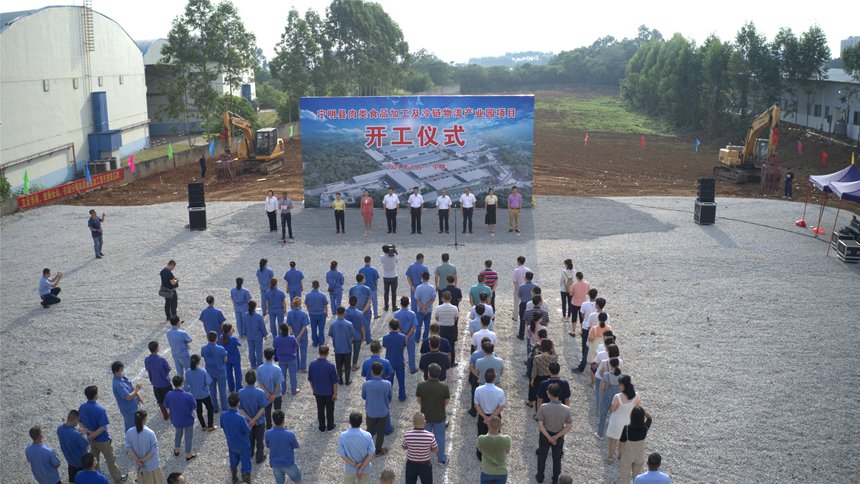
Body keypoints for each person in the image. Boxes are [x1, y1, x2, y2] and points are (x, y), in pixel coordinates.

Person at [78, 386, 126, 483]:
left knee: (95, 460)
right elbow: (102, 428)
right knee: (110, 460)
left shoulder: (82, 407)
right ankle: (118, 478)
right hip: (102, 440)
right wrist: (93, 435)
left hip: (91, 440)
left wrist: (89, 433)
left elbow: (80, 422)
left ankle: (97, 477)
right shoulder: (100, 410)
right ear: (96, 395)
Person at [535, 384, 573, 484]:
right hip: (558, 436)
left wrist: (548, 437)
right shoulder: (566, 409)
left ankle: (540, 477)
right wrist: (556, 436)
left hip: (545, 434)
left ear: (550, 394)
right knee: (557, 459)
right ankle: (556, 479)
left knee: (542, 457)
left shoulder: (543, 407)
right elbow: (569, 426)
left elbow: (540, 424)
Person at [415, 363, 450, 464]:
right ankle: (442, 459)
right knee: (440, 438)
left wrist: (425, 405)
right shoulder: (444, 386)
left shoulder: (421, 385)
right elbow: (446, 401)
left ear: (428, 373)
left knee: (424, 437)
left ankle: (423, 457)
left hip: (425, 417)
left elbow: (419, 399)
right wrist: (439, 407)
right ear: (439, 374)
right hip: (439, 416)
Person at [124, 410, 165, 484]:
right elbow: (154, 449)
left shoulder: (129, 432)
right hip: (151, 465)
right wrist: (143, 460)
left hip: (139, 465)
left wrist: (138, 460)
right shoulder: (150, 433)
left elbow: (128, 447)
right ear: (145, 419)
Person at [607, 375, 641, 463]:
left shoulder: (617, 397)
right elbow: (637, 407)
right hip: (629, 422)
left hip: (617, 421)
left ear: (622, 385)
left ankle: (611, 458)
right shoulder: (636, 395)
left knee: (613, 441)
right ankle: (620, 456)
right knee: (623, 442)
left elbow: (613, 409)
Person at [238, 370, 269, 464]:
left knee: (249, 439)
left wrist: (250, 420)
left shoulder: (240, 392)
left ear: (246, 380)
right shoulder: (260, 392)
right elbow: (262, 408)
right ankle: (259, 457)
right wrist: (255, 419)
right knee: (259, 440)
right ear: (255, 380)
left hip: (247, 422)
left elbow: (241, 409)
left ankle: (250, 454)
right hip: (259, 421)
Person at [362, 362, 393, 455]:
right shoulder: (387, 384)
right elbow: (390, 397)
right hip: (383, 412)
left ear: (371, 372)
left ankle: (367, 449)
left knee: (369, 430)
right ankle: (378, 450)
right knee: (381, 432)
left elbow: (364, 396)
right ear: (382, 371)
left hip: (370, 411)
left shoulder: (366, 384)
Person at [221, 392, 252, 484]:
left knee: (233, 462)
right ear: (238, 403)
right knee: (246, 465)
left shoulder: (223, 415)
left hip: (231, 444)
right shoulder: (241, 418)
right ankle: (246, 481)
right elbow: (247, 430)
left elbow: (222, 426)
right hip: (243, 445)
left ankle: (234, 478)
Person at [164, 374, 198, 460]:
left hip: (176, 419)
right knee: (188, 437)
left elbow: (166, 405)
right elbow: (194, 407)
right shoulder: (188, 396)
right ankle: (188, 454)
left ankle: (177, 450)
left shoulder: (169, 394)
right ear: (182, 383)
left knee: (178, 434)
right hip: (188, 420)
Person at [474, 368, 504, 459]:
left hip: (483, 416)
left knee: (481, 435)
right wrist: (491, 418)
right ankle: (494, 453)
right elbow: (500, 407)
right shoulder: (500, 391)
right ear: (494, 378)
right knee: (495, 435)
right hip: (495, 416)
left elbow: (476, 405)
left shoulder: (478, 390)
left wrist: (485, 417)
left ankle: (480, 454)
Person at [266, 410, 303, 484]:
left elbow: (268, 446)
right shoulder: (290, 434)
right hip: (288, 464)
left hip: (275, 464)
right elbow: (296, 446)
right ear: (283, 420)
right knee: (298, 480)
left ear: (273, 421)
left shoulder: (268, 433)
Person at [308, 345, 339, 432]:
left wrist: (313, 389)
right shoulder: (331, 366)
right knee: (330, 410)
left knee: (320, 409)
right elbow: (335, 382)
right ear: (328, 353)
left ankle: (321, 427)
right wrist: (335, 393)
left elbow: (310, 380)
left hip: (318, 391)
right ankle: (330, 425)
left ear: (318, 352)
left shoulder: (312, 364)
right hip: (329, 392)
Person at [338, 412, 376, 484]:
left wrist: (354, 464)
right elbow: (371, 454)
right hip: (365, 468)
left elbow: (342, 455)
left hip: (350, 469)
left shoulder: (343, 436)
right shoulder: (367, 435)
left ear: (350, 422)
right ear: (362, 422)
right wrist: (361, 468)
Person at [619, 407, 654, 484]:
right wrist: (642, 412)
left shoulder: (627, 428)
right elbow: (650, 417)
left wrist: (620, 453)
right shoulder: (645, 428)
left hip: (628, 455)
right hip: (639, 455)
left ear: (632, 416)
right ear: (642, 417)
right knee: (638, 477)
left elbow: (622, 442)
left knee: (624, 476)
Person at [401, 412, 437, 484]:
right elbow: (435, 449)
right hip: (425, 464)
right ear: (425, 422)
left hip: (411, 464)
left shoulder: (407, 435)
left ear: (413, 422)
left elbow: (404, 447)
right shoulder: (430, 436)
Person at [476, 416, 511, 484]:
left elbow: (480, 450)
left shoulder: (481, 439)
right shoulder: (507, 439)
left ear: (488, 425)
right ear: (500, 426)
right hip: (501, 472)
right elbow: (507, 451)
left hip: (486, 471)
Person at [57, 410, 90, 482]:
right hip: (81, 463)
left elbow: (69, 435)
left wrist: (77, 431)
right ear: (75, 421)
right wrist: (83, 434)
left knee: (72, 481)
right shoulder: (77, 435)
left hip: (70, 462)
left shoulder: (59, 429)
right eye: (78, 420)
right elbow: (87, 446)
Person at [258, 348, 285, 429]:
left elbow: (260, 383)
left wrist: (267, 393)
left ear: (264, 356)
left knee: (267, 411)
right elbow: (278, 384)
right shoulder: (277, 369)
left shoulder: (260, 368)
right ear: (273, 357)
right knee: (277, 410)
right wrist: (274, 394)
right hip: (277, 394)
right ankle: (278, 424)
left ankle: (268, 426)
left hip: (266, 395)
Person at [111, 361, 143, 432]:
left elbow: (131, 386)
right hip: (128, 410)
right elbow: (127, 397)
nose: (123, 371)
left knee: (133, 425)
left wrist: (138, 396)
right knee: (131, 428)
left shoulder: (122, 378)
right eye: (121, 370)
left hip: (132, 407)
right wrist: (137, 389)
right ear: (116, 372)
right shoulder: (118, 385)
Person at [202, 331, 229, 412]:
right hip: (220, 371)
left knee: (212, 390)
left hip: (210, 371)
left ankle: (215, 407)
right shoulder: (220, 349)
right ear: (216, 338)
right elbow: (225, 360)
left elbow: (203, 356)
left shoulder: (204, 348)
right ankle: (224, 407)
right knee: (222, 390)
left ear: (207, 338)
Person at [329, 306, 357, 385]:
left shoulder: (333, 324)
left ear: (337, 313)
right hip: (347, 348)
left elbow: (331, 335)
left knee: (338, 365)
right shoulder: (349, 324)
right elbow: (352, 335)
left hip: (337, 348)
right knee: (347, 365)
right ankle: (347, 380)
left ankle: (340, 379)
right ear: (344, 313)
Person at [382, 319, 407, 401]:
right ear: (398, 327)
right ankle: (402, 396)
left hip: (389, 361)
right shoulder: (403, 337)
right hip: (400, 361)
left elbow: (385, 347)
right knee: (401, 381)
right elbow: (403, 348)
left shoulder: (385, 338)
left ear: (389, 327)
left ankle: (388, 397)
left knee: (389, 382)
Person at [575, 288, 599, 373]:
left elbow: (582, 315)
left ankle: (583, 363)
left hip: (586, 327)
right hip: (596, 329)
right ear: (596, 295)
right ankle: (593, 364)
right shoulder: (599, 304)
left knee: (585, 346)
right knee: (594, 346)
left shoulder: (584, 304)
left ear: (588, 295)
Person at [303, 282, 328, 362]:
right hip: (321, 314)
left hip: (313, 314)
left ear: (312, 286)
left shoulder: (308, 295)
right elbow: (325, 305)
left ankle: (314, 341)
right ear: (318, 286)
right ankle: (321, 342)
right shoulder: (322, 295)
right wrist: (326, 312)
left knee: (313, 329)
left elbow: (306, 304)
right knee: (321, 329)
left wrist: (309, 311)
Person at [529, 339, 558, 408]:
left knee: (538, 396)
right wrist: (553, 347)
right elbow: (556, 355)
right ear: (550, 348)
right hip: (549, 377)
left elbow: (534, 370)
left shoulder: (537, 358)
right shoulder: (553, 358)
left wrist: (532, 379)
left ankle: (537, 412)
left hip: (539, 378)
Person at [393, 297, 418, 373]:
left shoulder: (396, 314)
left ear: (400, 303)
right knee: (411, 352)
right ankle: (412, 368)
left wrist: (402, 334)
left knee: (400, 352)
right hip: (410, 336)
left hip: (400, 336)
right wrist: (407, 335)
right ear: (408, 303)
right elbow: (414, 326)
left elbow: (396, 326)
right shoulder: (412, 314)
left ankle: (400, 366)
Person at [274, 323, 300, 395]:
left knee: (282, 376)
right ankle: (294, 390)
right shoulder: (292, 338)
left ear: (280, 330)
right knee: (293, 375)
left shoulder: (277, 338)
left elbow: (275, 347)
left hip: (281, 359)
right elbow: (297, 346)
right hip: (291, 358)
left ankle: (283, 391)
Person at [434, 291, 460, 365]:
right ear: (451, 298)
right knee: (451, 345)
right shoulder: (455, 308)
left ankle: (441, 361)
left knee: (441, 344)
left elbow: (437, 318)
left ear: (442, 298)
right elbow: (456, 318)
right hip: (451, 328)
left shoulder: (438, 308)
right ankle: (451, 362)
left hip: (441, 328)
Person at [243, 300, 267, 369]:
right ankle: (260, 364)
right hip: (258, 336)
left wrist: (244, 333)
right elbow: (262, 326)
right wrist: (265, 334)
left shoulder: (245, 316)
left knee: (251, 350)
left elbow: (244, 326)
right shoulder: (259, 316)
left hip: (249, 336)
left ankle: (253, 365)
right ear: (255, 307)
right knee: (259, 351)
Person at [219, 323, 243, 393]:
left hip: (226, 358)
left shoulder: (220, 337)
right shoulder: (233, 338)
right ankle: (239, 387)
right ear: (230, 330)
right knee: (238, 373)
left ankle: (231, 387)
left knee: (228, 373)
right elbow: (240, 344)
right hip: (235, 358)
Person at [413, 271, 436, 343]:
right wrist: (426, 307)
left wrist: (422, 308)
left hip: (420, 310)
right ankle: (425, 339)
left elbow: (417, 299)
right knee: (427, 326)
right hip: (428, 310)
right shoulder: (432, 287)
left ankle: (417, 339)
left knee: (418, 326)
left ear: (422, 278)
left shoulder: (419, 287)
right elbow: (433, 299)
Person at [568, 272, 590, 336]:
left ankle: (573, 331)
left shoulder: (574, 284)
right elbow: (588, 293)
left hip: (574, 303)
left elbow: (570, 293)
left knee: (574, 317)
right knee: (582, 318)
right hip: (583, 303)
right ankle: (582, 330)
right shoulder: (587, 284)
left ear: (577, 277)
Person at [380, 246, 398, 312]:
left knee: (386, 292)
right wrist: (395, 252)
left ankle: (386, 306)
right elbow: (396, 261)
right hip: (394, 275)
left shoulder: (382, 257)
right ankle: (394, 306)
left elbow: (382, 261)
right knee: (394, 293)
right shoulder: (394, 256)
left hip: (386, 276)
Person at [512, 256, 529, 325]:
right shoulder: (527, 270)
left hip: (518, 288)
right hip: (526, 288)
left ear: (518, 261)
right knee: (526, 303)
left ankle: (515, 317)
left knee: (516, 303)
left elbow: (515, 281)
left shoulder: (516, 270)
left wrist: (517, 289)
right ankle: (526, 316)